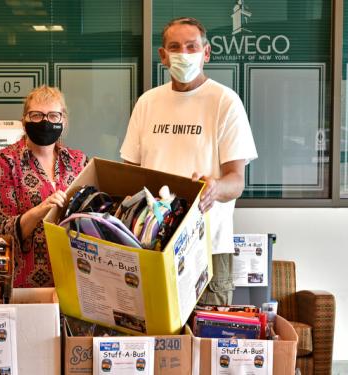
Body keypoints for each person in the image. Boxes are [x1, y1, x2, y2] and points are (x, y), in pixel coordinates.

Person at [120, 17, 257, 305]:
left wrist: (215, 187)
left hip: (206, 247)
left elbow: (236, 180)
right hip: (151, 244)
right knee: (156, 337)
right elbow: (129, 173)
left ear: (206, 53)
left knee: (208, 340)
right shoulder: (147, 103)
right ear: (163, 55)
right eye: (174, 47)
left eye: (191, 46)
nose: (183, 53)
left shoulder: (225, 102)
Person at [0, 85, 88, 288]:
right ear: (24, 121)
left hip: (75, 279)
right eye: (36, 115)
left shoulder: (79, 161)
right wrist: (42, 209)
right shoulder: (4, 162)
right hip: (27, 284)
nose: (45, 122)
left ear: (63, 121)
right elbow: (5, 231)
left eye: (53, 116)